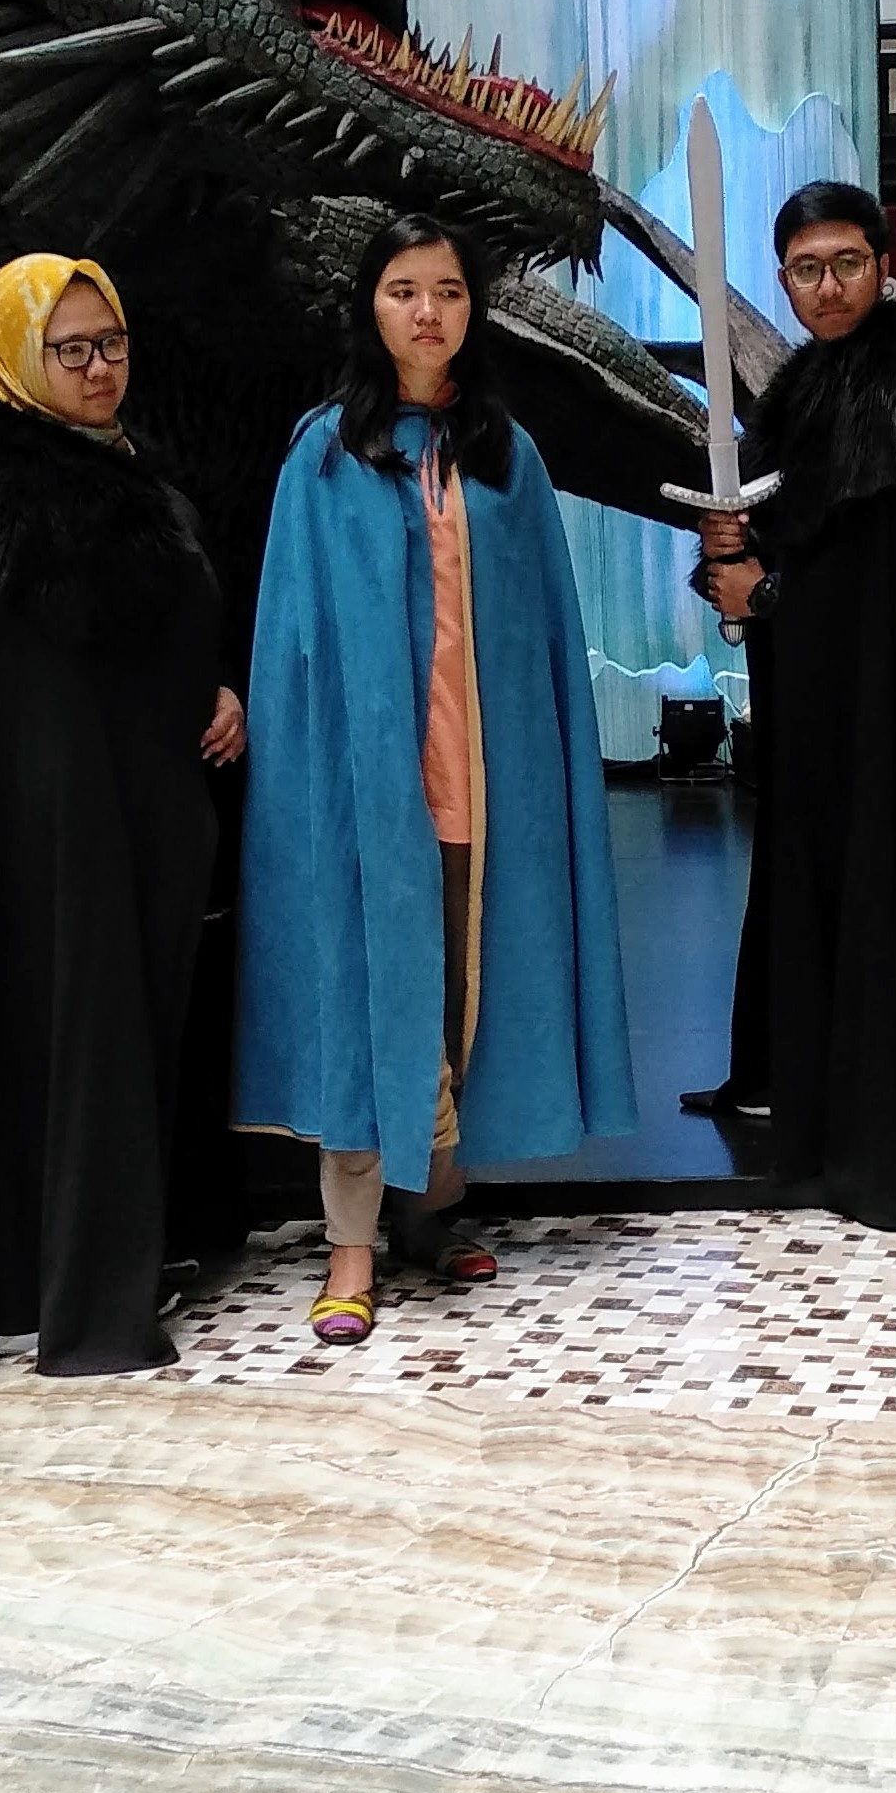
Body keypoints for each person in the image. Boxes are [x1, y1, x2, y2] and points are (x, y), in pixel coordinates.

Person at [237, 213, 633, 1344]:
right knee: (370, 1002)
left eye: (448, 291)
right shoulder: (325, 454)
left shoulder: (507, 454)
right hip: (368, 794)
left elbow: (543, 634)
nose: (427, 311)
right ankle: (350, 1245)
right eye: (405, 289)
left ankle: (429, 1211)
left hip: (484, 785)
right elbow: (288, 639)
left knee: (462, 997)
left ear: (472, 310)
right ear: (371, 306)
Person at [0, 255, 247, 1375]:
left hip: (141, 814)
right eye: (72, 350)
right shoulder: (23, 512)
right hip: (78, 835)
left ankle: (131, 1249)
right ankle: (91, 1293)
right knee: (92, 1027)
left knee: (134, 1027)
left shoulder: (107, 468)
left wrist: (215, 690)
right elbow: (52, 714)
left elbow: (151, 650)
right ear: (19, 360)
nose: (100, 367)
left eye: (111, 343)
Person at [687, 179, 896, 1228]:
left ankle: (886, 1122)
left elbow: (872, 588)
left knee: (885, 879)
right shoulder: (806, 386)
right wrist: (729, 555)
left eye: (846, 263)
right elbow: (795, 542)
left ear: (885, 268)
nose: (828, 286)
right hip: (830, 715)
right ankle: (815, 1086)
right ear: (783, 279)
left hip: (895, 717)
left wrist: (766, 592)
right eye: (806, 269)